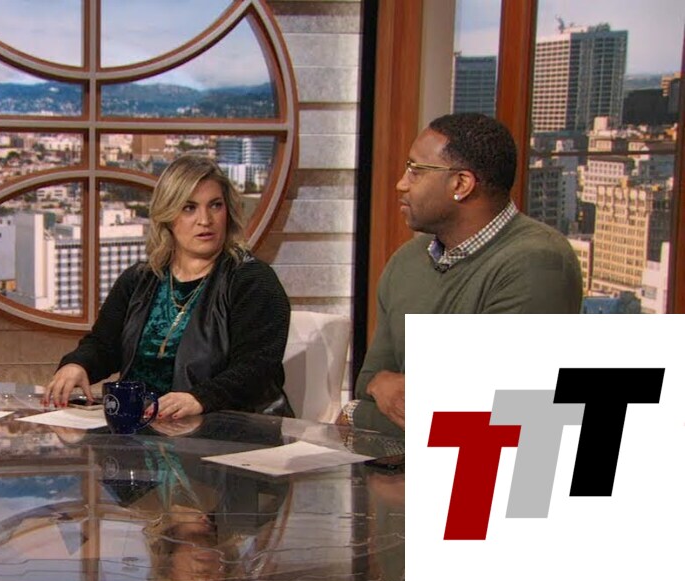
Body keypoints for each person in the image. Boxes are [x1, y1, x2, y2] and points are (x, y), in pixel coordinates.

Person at [342, 113, 583, 435]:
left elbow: (485, 421)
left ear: (461, 184)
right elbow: (369, 383)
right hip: (399, 463)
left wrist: (356, 415)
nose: (401, 183)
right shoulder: (406, 261)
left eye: (416, 171)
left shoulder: (539, 263)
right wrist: (381, 386)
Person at [44, 155, 293, 419]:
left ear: (228, 212)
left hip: (226, 428)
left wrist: (200, 398)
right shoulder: (139, 279)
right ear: (167, 216)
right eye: (189, 208)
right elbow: (104, 345)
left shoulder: (253, 280)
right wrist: (78, 364)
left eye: (215, 205)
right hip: (142, 425)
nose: (205, 220)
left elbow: (257, 368)